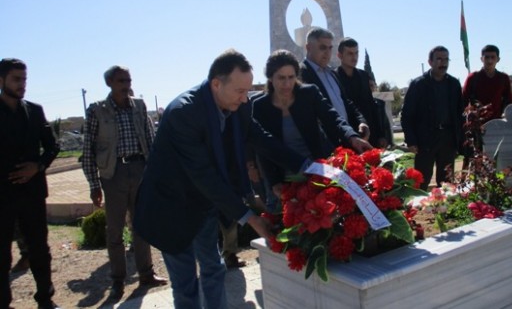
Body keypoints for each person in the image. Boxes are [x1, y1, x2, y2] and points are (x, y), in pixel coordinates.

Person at [133, 49, 309, 308]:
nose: (245, 98)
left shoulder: (238, 106)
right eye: (240, 91)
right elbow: (203, 175)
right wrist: (250, 218)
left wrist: (308, 166)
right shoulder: (184, 113)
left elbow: (262, 140)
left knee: (214, 269)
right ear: (217, 84)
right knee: (186, 286)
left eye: (247, 90)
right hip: (170, 208)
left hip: (204, 205)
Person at [81, 65, 167, 299]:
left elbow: (151, 141)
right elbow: (88, 149)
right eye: (121, 81)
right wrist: (93, 184)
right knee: (115, 230)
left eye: (128, 80)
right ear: (109, 83)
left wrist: (155, 174)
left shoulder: (138, 106)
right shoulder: (98, 111)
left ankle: (146, 274)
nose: (126, 85)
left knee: (141, 225)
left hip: (140, 169)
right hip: (113, 174)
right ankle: (118, 279)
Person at [252, 49, 372, 210]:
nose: (287, 84)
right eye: (281, 78)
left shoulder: (309, 93)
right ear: (270, 78)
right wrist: (273, 181)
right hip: (284, 178)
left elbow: (333, 118)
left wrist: (352, 136)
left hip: (318, 170)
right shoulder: (260, 107)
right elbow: (263, 148)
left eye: (291, 77)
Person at [0, 58, 61, 309]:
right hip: (2, 195)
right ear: (2, 80)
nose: (22, 84)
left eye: (24, 79)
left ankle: (45, 298)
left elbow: (52, 146)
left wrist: (37, 166)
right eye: (16, 79)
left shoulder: (34, 110)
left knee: (39, 249)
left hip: (33, 194)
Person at [401, 46, 464, 190]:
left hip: (447, 139)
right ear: (430, 62)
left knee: (447, 183)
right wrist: (411, 140)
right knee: (420, 181)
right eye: (439, 59)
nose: (443, 63)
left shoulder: (454, 84)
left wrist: (459, 140)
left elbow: (460, 113)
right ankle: (416, 211)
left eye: (446, 59)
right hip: (425, 141)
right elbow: (407, 115)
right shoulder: (418, 85)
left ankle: (445, 210)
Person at [300, 27, 370, 144]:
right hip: (324, 145)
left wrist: (361, 121)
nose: (327, 53)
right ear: (308, 48)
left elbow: (346, 102)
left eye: (330, 48)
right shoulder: (301, 74)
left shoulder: (332, 73)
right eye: (322, 48)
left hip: (347, 139)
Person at [336, 37, 382, 147]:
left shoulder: (364, 76)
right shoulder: (334, 78)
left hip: (370, 133)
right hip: (348, 136)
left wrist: (381, 135)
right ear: (340, 55)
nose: (354, 57)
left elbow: (371, 106)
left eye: (356, 53)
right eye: (350, 53)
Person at [462, 45, 512, 121]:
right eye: (487, 57)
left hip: (499, 124)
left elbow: (509, 101)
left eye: (493, 57)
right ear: (481, 59)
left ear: (498, 59)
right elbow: (463, 101)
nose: (490, 61)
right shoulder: (473, 78)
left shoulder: (503, 78)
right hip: (476, 125)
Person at [369, 78, 394, 148]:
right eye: (368, 86)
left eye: (372, 85)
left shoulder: (380, 103)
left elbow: (385, 122)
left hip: (381, 140)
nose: (370, 88)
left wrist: (388, 140)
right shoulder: (359, 103)